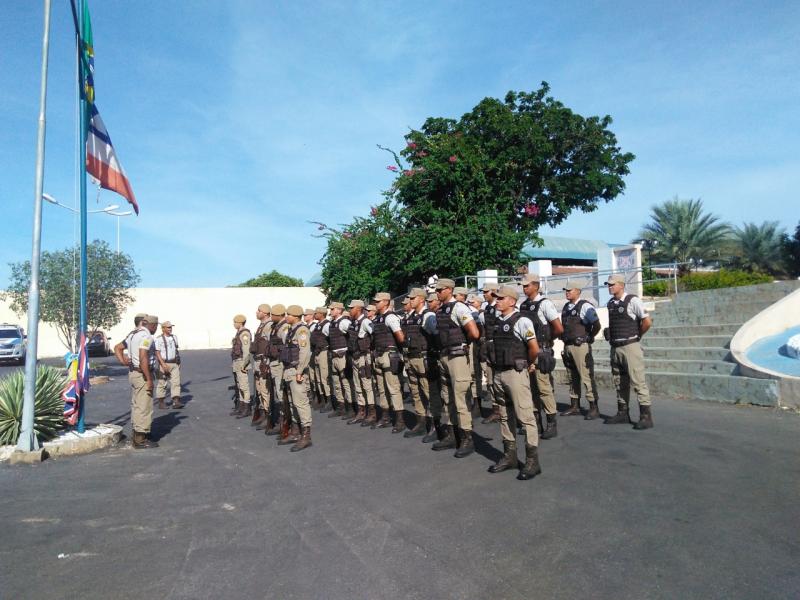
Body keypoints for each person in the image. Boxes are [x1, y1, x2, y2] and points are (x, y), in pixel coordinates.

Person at [486, 286, 542, 480]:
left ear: (511, 301)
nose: (497, 301)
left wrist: (528, 365)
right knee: (504, 415)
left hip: (515, 373)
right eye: (496, 298)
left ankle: (532, 461)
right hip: (499, 373)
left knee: (525, 417)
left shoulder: (522, 321)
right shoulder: (497, 322)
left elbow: (534, 348)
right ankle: (510, 456)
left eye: (501, 298)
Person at [432, 278, 481, 457]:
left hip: (457, 357)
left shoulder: (459, 307)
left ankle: (467, 438)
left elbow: (474, 332)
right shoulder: (441, 309)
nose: (437, 293)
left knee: (460, 398)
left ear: (449, 290)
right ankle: (453, 435)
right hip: (444, 356)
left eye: (440, 290)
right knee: (448, 398)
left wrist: (464, 345)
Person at [603, 274, 654, 429]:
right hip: (616, 347)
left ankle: (646, 416)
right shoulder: (610, 303)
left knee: (638, 382)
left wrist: (637, 335)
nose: (610, 287)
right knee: (619, 382)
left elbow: (647, 321)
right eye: (609, 284)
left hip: (630, 346)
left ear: (621, 285)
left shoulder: (632, 300)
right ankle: (622, 413)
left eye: (612, 284)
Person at [519, 273, 564, 439]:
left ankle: (551, 423)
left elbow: (558, 328)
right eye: (523, 286)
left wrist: (546, 342)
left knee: (544, 388)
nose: (524, 288)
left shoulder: (545, 304)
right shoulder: (523, 306)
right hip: (528, 351)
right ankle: (536, 422)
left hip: (541, 351)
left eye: (527, 285)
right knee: (531, 389)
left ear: (536, 286)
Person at [403, 287, 442, 440]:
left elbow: (436, 337)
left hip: (423, 357)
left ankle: (434, 425)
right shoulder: (411, 316)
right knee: (415, 392)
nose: (410, 301)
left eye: (413, 298)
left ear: (421, 299)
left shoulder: (429, 315)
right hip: (411, 357)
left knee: (428, 391)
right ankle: (421, 421)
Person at [560, 282, 602, 419]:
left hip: (580, 347)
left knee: (586, 376)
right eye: (566, 290)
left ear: (578, 291)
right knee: (572, 377)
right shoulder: (566, 307)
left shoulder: (584, 306)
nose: (567, 292)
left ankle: (593, 407)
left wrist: (588, 337)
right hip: (568, 345)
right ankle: (574, 405)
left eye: (569, 290)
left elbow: (596, 324)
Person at [276, 305, 313, 451]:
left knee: (301, 403)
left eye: (288, 315)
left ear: (295, 316)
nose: (286, 317)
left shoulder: (302, 330)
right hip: (288, 371)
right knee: (291, 403)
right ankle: (296, 432)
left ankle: (306, 436)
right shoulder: (291, 330)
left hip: (296, 371)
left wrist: (299, 370)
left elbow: (305, 352)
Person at [371, 292, 407, 433]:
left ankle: (400, 420)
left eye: (378, 301)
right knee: (382, 389)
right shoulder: (378, 319)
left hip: (388, 355)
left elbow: (401, 337)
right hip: (379, 355)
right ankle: (385, 417)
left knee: (393, 389)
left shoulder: (390, 317)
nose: (376, 303)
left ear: (385, 302)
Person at [128, 315, 158, 449]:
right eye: (156, 325)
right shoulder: (146, 337)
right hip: (142, 374)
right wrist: (149, 378)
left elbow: (118, 347)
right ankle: (140, 439)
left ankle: (136, 433)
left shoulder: (133, 334)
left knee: (136, 405)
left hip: (134, 372)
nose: (156, 328)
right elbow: (143, 356)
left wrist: (124, 361)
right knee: (144, 406)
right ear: (153, 325)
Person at [346, 299, 376, 425]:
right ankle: (361, 411)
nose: (349, 310)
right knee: (358, 386)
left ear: (358, 309)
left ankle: (372, 413)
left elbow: (375, 334)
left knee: (367, 386)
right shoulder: (353, 323)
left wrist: (369, 350)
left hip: (364, 358)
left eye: (351, 308)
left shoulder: (365, 321)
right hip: (355, 356)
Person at [266, 304, 290, 437]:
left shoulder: (284, 327)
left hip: (280, 364)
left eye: (273, 314)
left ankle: (285, 424)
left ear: (279, 315)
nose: (271, 316)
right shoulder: (275, 327)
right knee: (278, 395)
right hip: (274, 363)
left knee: (282, 396)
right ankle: (282, 423)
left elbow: (288, 346)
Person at [327, 301, 354, 419]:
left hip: (342, 356)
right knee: (337, 383)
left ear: (339, 310)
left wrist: (349, 351)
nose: (331, 311)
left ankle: (351, 408)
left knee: (346, 383)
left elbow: (353, 335)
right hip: (334, 356)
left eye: (332, 309)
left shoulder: (344, 322)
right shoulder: (333, 323)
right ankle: (341, 407)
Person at [480, 283, 501, 424]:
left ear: (493, 292)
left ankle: (505, 409)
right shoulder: (486, 308)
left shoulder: (499, 307)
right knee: (491, 379)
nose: (484, 294)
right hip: (489, 346)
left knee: (500, 380)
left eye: (486, 291)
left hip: (499, 347)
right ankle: (496, 410)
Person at [251, 304, 273, 429]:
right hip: (258, 360)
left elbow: (269, 345)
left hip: (263, 361)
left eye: (259, 311)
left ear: (265, 312)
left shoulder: (269, 325)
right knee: (259, 390)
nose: (256, 312)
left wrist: (267, 362)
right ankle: (264, 414)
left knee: (265, 390)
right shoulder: (261, 325)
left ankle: (269, 415)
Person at [154, 321, 183, 410]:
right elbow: (157, 352)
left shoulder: (174, 337)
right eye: (168, 327)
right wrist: (162, 364)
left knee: (176, 383)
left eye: (171, 327)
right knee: (162, 383)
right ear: (163, 329)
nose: (170, 329)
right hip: (163, 363)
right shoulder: (159, 339)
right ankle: (161, 402)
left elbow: (176, 350)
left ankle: (176, 401)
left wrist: (179, 362)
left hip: (174, 363)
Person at [310, 306, 333, 412]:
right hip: (317, 352)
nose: (315, 314)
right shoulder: (318, 325)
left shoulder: (326, 324)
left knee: (324, 378)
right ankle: (323, 399)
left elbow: (330, 339)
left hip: (323, 352)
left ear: (321, 314)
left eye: (316, 313)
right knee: (318, 378)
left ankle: (329, 401)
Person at [231, 314, 252, 418]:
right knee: (239, 386)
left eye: (235, 322)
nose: (234, 324)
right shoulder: (238, 333)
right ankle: (241, 406)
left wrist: (244, 365)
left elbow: (247, 351)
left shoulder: (244, 333)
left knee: (244, 386)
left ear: (240, 323)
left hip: (241, 362)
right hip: (236, 361)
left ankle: (247, 407)